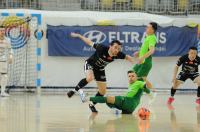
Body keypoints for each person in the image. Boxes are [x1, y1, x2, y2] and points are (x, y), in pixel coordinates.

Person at [67, 32, 134, 112]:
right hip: (90, 64)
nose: (117, 50)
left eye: (119, 49)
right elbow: (89, 42)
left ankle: (92, 105)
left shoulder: (118, 54)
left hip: (100, 69)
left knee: (103, 91)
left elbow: (127, 57)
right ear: (110, 46)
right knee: (90, 78)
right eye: (115, 47)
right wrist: (79, 35)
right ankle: (74, 91)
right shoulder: (101, 48)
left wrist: (134, 59)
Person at [87, 70, 154, 113]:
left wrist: (150, 94)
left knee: (108, 99)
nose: (131, 78)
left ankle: (87, 98)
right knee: (108, 101)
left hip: (129, 101)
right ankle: (116, 111)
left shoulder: (139, 82)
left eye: (133, 76)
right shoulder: (131, 85)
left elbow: (145, 87)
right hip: (130, 108)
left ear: (136, 77)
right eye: (129, 76)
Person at [133, 22, 157, 90]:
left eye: (148, 27)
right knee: (133, 74)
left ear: (152, 30)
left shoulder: (152, 38)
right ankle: (152, 91)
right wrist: (139, 53)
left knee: (138, 78)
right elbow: (145, 49)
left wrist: (142, 57)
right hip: (142, 61)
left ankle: (151, 92)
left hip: (145, 62)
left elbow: (152, 50)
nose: (146, 28)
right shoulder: (148, 37)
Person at [0, 26, 13, 97]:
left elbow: (10, 48)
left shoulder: (7, 40)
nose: (2, 32)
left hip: (3, 60)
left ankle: (2, 92)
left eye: (3, 31)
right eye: (0, 31)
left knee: (4, 75)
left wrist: (11, 56)